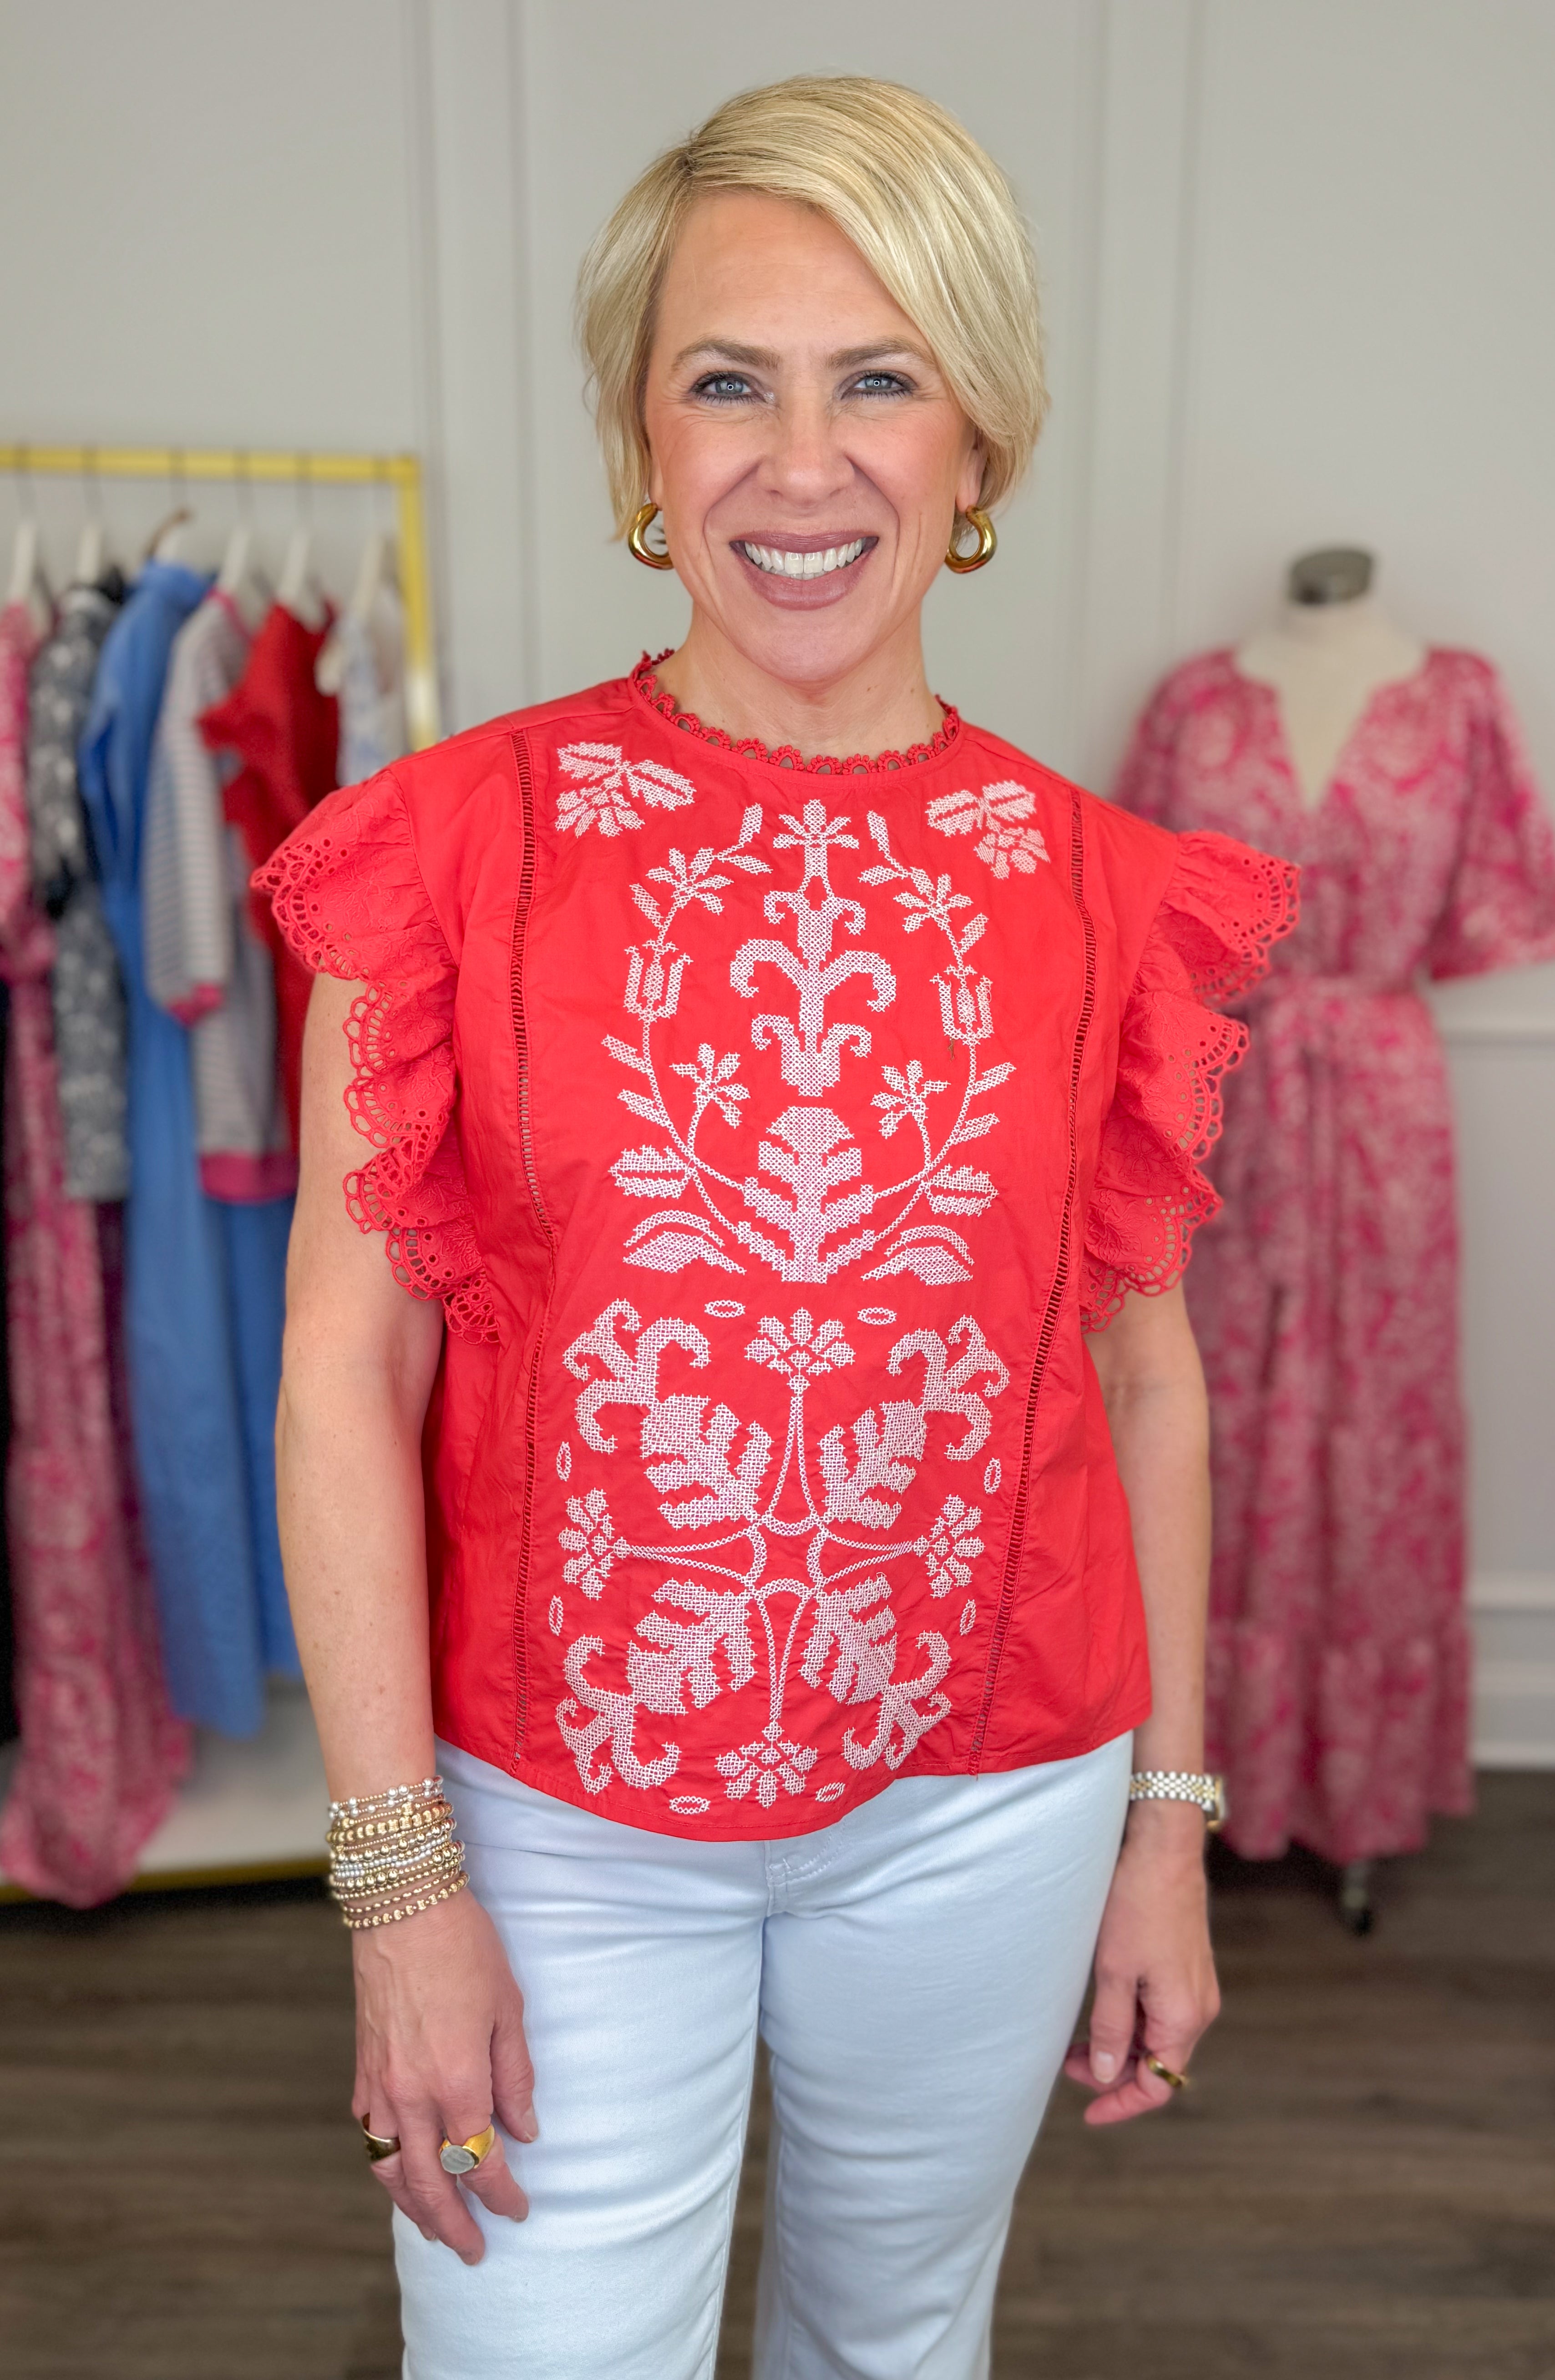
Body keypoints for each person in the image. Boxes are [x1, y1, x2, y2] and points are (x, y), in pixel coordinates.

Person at [262, 76, 1296, 2380]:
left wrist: (1163, 1823)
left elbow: (1141, 1379)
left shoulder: (1106, 898)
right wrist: (395, 1884)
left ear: (979, 440)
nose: (800, 460)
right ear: (641, 441)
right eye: (727, 379)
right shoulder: (438, 855)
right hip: (551, 1818)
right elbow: (345, 1370)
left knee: (892, 2349)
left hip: (989, 1799)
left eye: (880, 377)